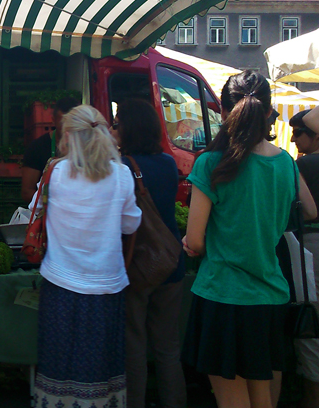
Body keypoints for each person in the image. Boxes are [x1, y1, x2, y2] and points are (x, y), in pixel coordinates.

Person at [182, 71, 316, 408]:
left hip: (222, 294)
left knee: (231, 398)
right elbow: (309, 210)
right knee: (263, 398)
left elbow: (195, 241)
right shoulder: (286, 161)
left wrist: (189, 243)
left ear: (224, 113)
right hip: (270, 295)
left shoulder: (212, 162)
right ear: (268, 111)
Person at [30, 104, 142, 408]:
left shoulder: (55, 171)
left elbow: (33, 211)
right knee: (99, 366)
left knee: (59, 361)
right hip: (106, 285)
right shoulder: (121, 174)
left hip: (60, 283)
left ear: (68, 135)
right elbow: (130, 223)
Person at [111, 99, 186, 408]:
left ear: (127, 129)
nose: (113, 129)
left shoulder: (122, 168)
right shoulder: (169, 163)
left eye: (116, 124)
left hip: (137, 264)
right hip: (170, 262)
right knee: (168, 348)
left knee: (134, 345)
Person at [289, 109, 319, 408]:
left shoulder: (305, 165)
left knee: (315, 324)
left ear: (317, 133)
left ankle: (312, 400)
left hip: (316, 245)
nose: (294, 139)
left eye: (299, 133)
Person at [21, 96, 80, 203]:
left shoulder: (88, 148)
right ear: (53, 120)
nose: (68, 128)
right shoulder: (37, 148)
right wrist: (56, 203)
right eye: (63, 123)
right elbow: (27, 192)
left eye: (73, 123)